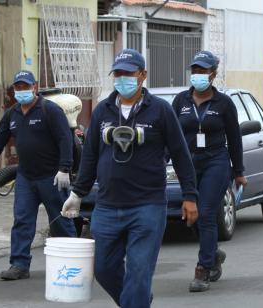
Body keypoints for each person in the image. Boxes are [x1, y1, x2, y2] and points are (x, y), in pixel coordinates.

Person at [61, 49, 198, 307]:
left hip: (147, 206)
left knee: (139, 273)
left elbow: (181, 154)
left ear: (142, 75)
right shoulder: (103, 111)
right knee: (102, 268)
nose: (122, 78)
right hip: (108, 207)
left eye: (128, 73)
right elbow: (90, 156)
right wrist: (77, 194)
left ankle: (137, 298)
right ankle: (138, 300)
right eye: (118, 74)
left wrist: (190, 195)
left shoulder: (160, 111)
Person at [0, 70, 77, 280]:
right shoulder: (12, 114)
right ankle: (19, 265)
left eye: (25, 87)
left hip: (52, 177)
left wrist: (64, 169)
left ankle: (72, 261)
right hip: (26, 177)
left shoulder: (50, 110)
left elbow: (65, 140)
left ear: (34, 87)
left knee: (60, 220)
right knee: (22, 221)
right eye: (18, 87)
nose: (21, 91)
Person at [171, 50, 247, 292]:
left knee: (205, 212)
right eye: (195, 70)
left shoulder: (224, 103)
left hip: (216, 161)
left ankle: (203, 269)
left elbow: (235, 138)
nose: (198, 75)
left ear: (213, 74)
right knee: (190, 214)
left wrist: (239, 171)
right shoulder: (180, 101)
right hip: (188, 164)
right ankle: (213, 252)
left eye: (203, 71)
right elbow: (171, 136)